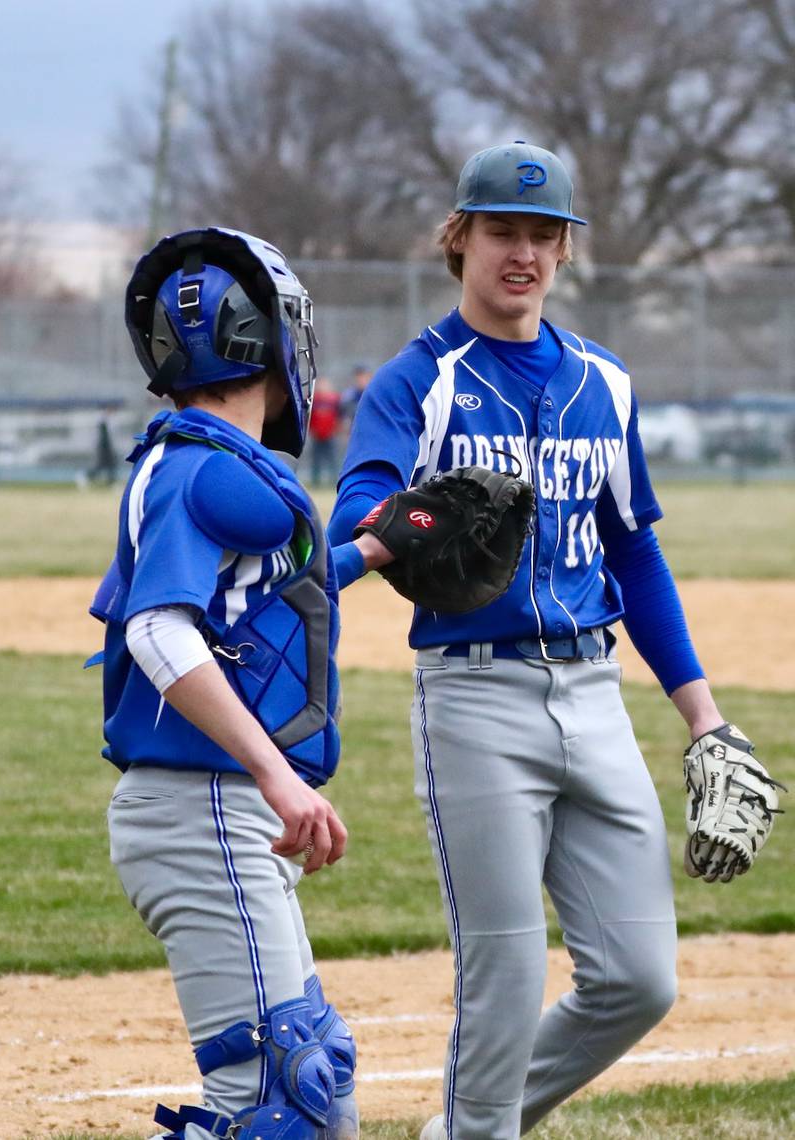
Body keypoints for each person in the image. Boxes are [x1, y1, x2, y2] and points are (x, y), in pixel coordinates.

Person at [326, 142, 743, 1138]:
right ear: (459, 239)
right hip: (474, 700)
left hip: (593, 696)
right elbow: (359, 512)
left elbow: (633, 557)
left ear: (562, 253)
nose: (520, 252)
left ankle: (461, 1130)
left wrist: (703, 720)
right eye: (500, 231)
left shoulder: (605, 382)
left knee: (638, 980)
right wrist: (397, 531)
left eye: (540, 234)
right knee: (504, 982)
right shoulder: (415, 382)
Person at [89, 227, 390, 1140]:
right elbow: (156, 628)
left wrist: (374, 548)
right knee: (276, 1101)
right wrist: (276, 773)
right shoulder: (198, 469)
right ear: (270, 339)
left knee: (316, 1087)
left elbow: (257, 598)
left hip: (211, 815)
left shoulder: (205, 465)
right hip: (203, 812)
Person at [307, 376, 342, 486]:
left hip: (330, 434)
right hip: (317, 435)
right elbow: (310, 417)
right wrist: (312, 430)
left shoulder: (335, 399)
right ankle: (315, 482)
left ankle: (334, 481)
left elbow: (339, 415)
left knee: (332, 459)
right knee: (316, 460)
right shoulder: (315, 400)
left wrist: (336, 429)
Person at [339, 363, 373, 430]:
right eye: (358, 377)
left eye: (363, 376)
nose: (361, 380)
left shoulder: (374, 395)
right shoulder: (348, 396)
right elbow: (343, 417)